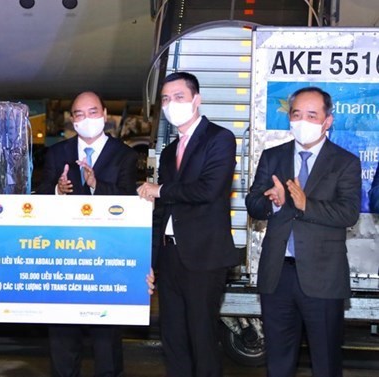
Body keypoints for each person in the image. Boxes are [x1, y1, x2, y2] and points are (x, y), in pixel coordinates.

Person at [245, 87, 361, 377]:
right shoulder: (273, 157)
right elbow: (253, 203)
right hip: (278, 274)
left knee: (325, 362)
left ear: (327, 121)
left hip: (323, 276)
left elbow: (348, 213)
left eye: (312, 115)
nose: (303, 121)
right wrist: (272, 202)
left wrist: (305, 204)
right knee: (279, 361)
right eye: (297, 114)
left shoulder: (345, 162)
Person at [137, 72, 238, 377]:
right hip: (170, 258)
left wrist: (161, 189)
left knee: (202, 337)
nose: (171, 104)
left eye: (178, 97)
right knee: (173, 339)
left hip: (203, 257)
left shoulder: (219, 139)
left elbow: (209, 189)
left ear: (197, 100)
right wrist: (151, 260)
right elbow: (161, 214)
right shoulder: (168, 152)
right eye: (165, 99)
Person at [37, 91, 138, 377]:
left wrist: (96, 185)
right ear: (72, 120)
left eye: (93, 112)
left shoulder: (125, 155)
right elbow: (39, 196)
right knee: (62, 339)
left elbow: (129, 201)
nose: (86, 119)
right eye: (79, 114)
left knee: (106, 342)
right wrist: (58, 190)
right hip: (65, 259)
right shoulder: (57, 153)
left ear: (105, 115)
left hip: (105, 261)